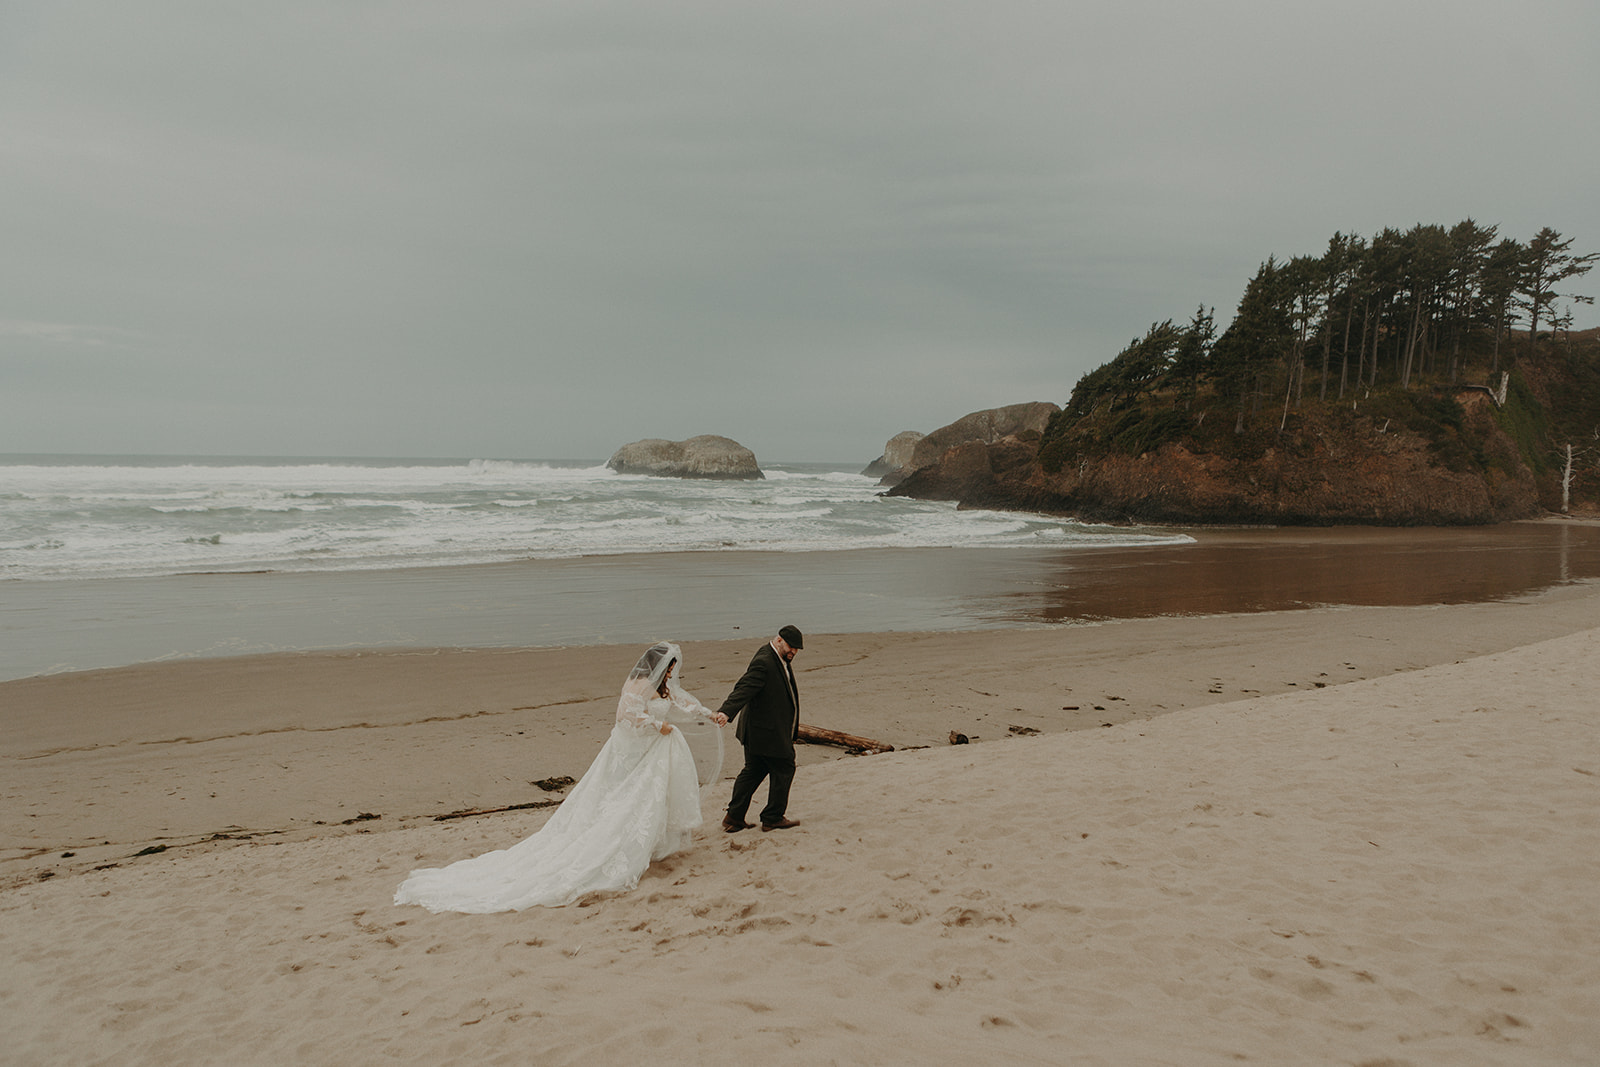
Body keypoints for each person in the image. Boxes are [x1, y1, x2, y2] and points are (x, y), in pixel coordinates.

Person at [393, 642, 727, 913]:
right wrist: (658, 725)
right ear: (657, 665)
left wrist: (709, 714)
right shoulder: (638, 684)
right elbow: (626, 716)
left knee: (650, 800)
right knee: (624, 801)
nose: (672, 673)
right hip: (634, 752)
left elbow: (684, 703)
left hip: (654, 751)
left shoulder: (665, 687)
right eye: (669, 667)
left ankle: (653, 846)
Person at [717, 624, 804, 833]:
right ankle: (773, 817)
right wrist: (726, 712)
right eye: (791, 647)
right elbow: (744, 688)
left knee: (754, 770)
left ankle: (734, 817)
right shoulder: (765, 662)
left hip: (758, 730)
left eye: (797, 650)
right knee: (785, 767)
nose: (793, 652)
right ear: (779, 640)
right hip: (766, 732)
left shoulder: (777, 656)